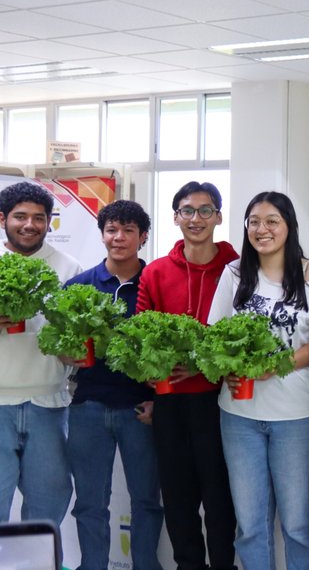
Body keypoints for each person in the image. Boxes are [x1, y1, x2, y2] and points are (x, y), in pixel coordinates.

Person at [207, 192, 309, 570]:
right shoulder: (233, 274)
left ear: (289, 226)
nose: (262, 229)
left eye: (272, 221)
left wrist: (275, 365)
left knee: (296, 524)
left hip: (297, 416)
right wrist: (225, 364)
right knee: (250, 525)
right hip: (240, 415)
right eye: (254, 222)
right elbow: (215, 335)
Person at [137, 181, 239, 570]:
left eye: (206, 210)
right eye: (188, 211)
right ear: (176, 217)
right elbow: (141, 331)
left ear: (219, 216)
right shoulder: (157, 272)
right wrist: (148, 374)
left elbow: (245, 332)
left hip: (220, 401)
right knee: (178, 500)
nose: (196, 219)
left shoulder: (238, 270)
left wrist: (205, 364)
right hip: (171, 401)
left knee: (219, 499)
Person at [65, 200, 163, 570]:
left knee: (146, 502)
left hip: (141, 410)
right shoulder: (80, 286)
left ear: (143, 237)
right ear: (102, 234)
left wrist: (159, 399)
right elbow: (64, 348)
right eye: (111, 230)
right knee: (90, 503)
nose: (118, 238)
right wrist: (67, 354)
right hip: (89, 407)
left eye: (127, 231)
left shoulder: (155, 283)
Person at [0, 182, 81, 531]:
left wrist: (75, 352)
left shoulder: (69, 268)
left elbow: (79, 344)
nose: (29, 224)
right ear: (3, 218)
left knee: (49, 501)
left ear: (49, 222)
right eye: (20, 216)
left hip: (49, 403)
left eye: (39, 217)